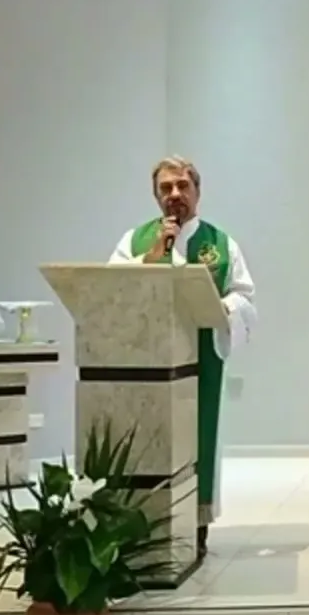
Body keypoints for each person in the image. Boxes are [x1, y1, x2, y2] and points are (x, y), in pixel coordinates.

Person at [108, 155, 257, 557]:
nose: (175, 194)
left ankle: (196, 523)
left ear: (197, 191)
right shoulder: (134, 240)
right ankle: (144, 523)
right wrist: (152, 257)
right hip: (146, 358)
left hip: (200, 357)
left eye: (182, 186)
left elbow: (244, 296)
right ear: (155, 195)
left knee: (198, 434)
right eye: (166, 188)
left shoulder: (221, 244)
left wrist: (220, 307)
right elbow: (111, 286)